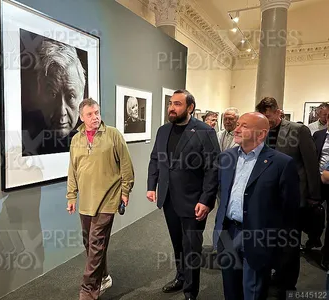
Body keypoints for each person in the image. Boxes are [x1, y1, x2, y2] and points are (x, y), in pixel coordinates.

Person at [214, 112, 300, 300]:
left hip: (258, 235)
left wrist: (281, 246)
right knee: (230, 288)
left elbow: (289, 211)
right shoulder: (226, 157)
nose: (236, 129)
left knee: (252, 291)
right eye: (238, 124)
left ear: (261, 134)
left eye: (243, 126)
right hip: (228, 231)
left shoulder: (281, 163)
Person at [147, 89, 220, 300]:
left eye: (177, 104)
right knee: (177, 243)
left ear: (190, 108)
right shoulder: (163, 131)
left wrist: (206, 199)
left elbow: (212, 168)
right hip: (168, 198)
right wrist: (152, 185)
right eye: (171, 103)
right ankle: (180, 277)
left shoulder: (205, 131)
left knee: (192, 248)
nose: (172, 107)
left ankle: (191, 290)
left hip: (193, 201)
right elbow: (155, 159)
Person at [66, 98, 135, 300]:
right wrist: (71, 195)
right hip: (86, 201)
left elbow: (126, 166)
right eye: (90, 114)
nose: (95, 117)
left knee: (96, 242)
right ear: (81, 117)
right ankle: (103, 276)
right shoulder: (76, 139)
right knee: (90, 243)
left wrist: (125, 191)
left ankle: (88, 290)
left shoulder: (113, 134)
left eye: (97, 112)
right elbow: (73, 170)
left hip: (108, 198)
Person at [256, 97, 321, 295]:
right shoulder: (260, 131)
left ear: (278, 112)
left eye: (269, 116)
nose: (267, 121)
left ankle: (288, 286)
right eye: (263, 117)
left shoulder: (298, 130)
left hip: (292, 197)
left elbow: (310, 164)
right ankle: (273, 276)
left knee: (289, 245)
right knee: (269, 241)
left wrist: (314, 195)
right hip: (267, 199)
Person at [22, 38, 86, 155]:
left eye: (70, 96)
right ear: (39, 93)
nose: (62, 111)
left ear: (82, 99)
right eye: (52, 94)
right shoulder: (25, 138)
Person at [313, 119, 329, 269]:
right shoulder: (318, 135)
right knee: (313, 212)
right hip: (317, 181)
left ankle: (326, 254)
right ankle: (313, 239)